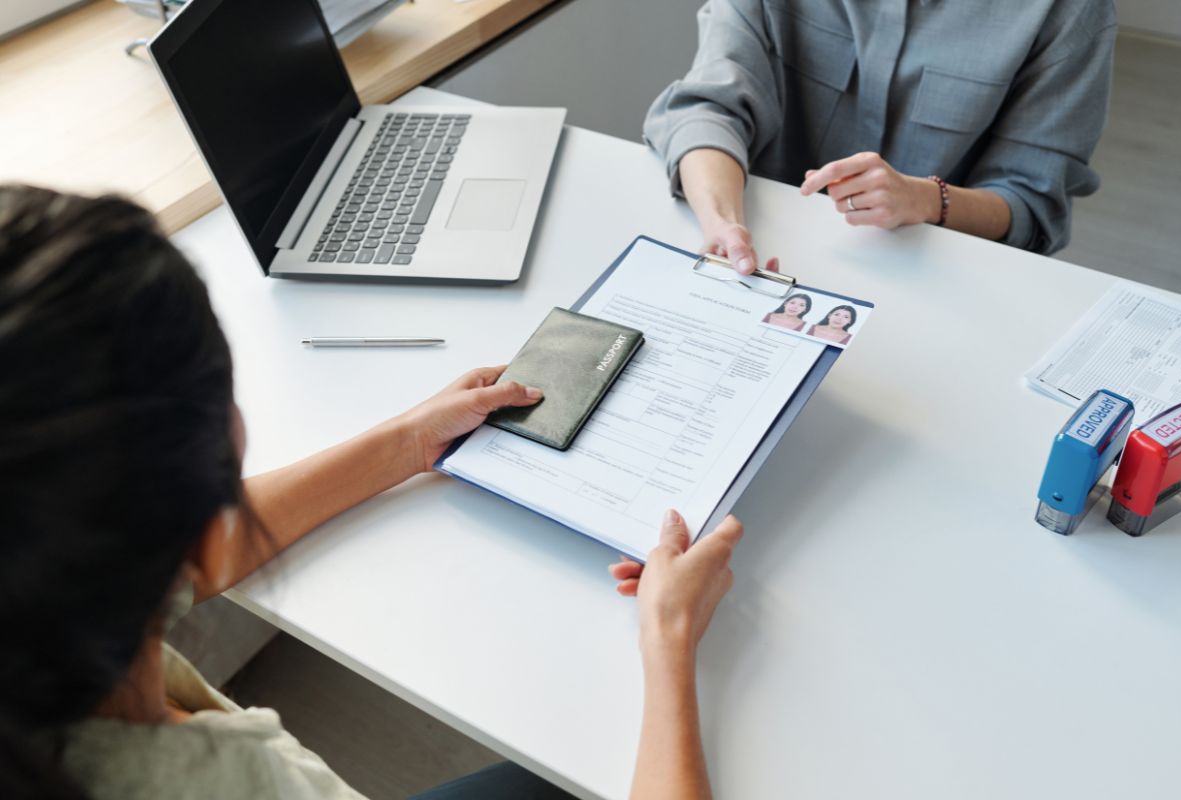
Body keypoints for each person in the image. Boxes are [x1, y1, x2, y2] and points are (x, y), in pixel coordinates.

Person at [0, 185, 743, 800]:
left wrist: (409, 441)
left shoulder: (45, 595)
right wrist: (669, 640)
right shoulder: (231, 783)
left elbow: (195, 559)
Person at [644, 0, 1118, 274]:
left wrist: (928, 200)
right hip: (766, 251)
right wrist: (723, 223)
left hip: (939, 278)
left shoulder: (1069, 11)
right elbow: (708, 108)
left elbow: (1033, 205)